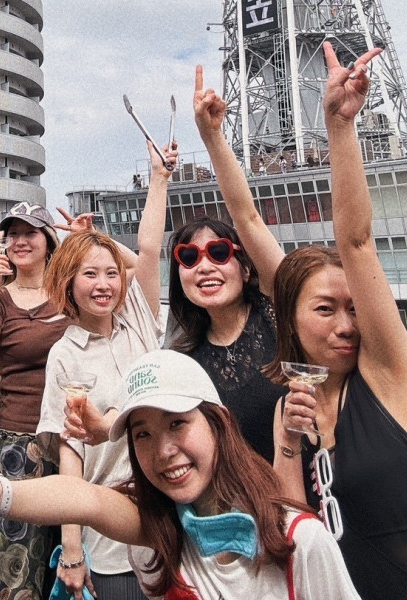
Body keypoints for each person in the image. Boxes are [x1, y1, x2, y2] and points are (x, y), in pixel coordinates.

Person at [0, 350, 361, 600]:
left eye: (178, 424)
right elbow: (83, 498)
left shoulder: (301, 542)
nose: (163, 451)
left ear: (218, 423)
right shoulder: (164, 531)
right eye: (142, 434)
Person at [269, 43, 407, 599]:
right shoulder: (292, 407)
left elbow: (356, 242)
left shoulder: (390, 375)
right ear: (290, 320)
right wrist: (287, 442)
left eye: (353, 308)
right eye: (325, 309)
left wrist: (339, 125)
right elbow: (293, 532)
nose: (347, 325)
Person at [36, 141, 176, 600]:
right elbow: (69, 453)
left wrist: (159, 179)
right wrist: (72, 546)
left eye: (111, 274)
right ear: (68, 283)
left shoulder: (138, 317)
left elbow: (147, 251)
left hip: (171, 522)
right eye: (89, 274)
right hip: (111, 536)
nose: (104, 284)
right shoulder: (65, 354)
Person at [166, 67, 290, 463]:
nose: (204, 266)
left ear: (246, 267)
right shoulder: (186, 360)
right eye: (188, 257)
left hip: (309, 493)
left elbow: (247, 218)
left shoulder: (278, 315)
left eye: (219, 252)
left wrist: (212, 137)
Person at [0, 201, 71, 599]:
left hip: (71, 442)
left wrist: (84, 236)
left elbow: (130, 269)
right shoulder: (0, 298)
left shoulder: (69, 292)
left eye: (31, 233)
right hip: (17, 446)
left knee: (71, 567)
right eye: (12, 235)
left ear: (49, 241)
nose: (20, 241)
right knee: (13, 572)